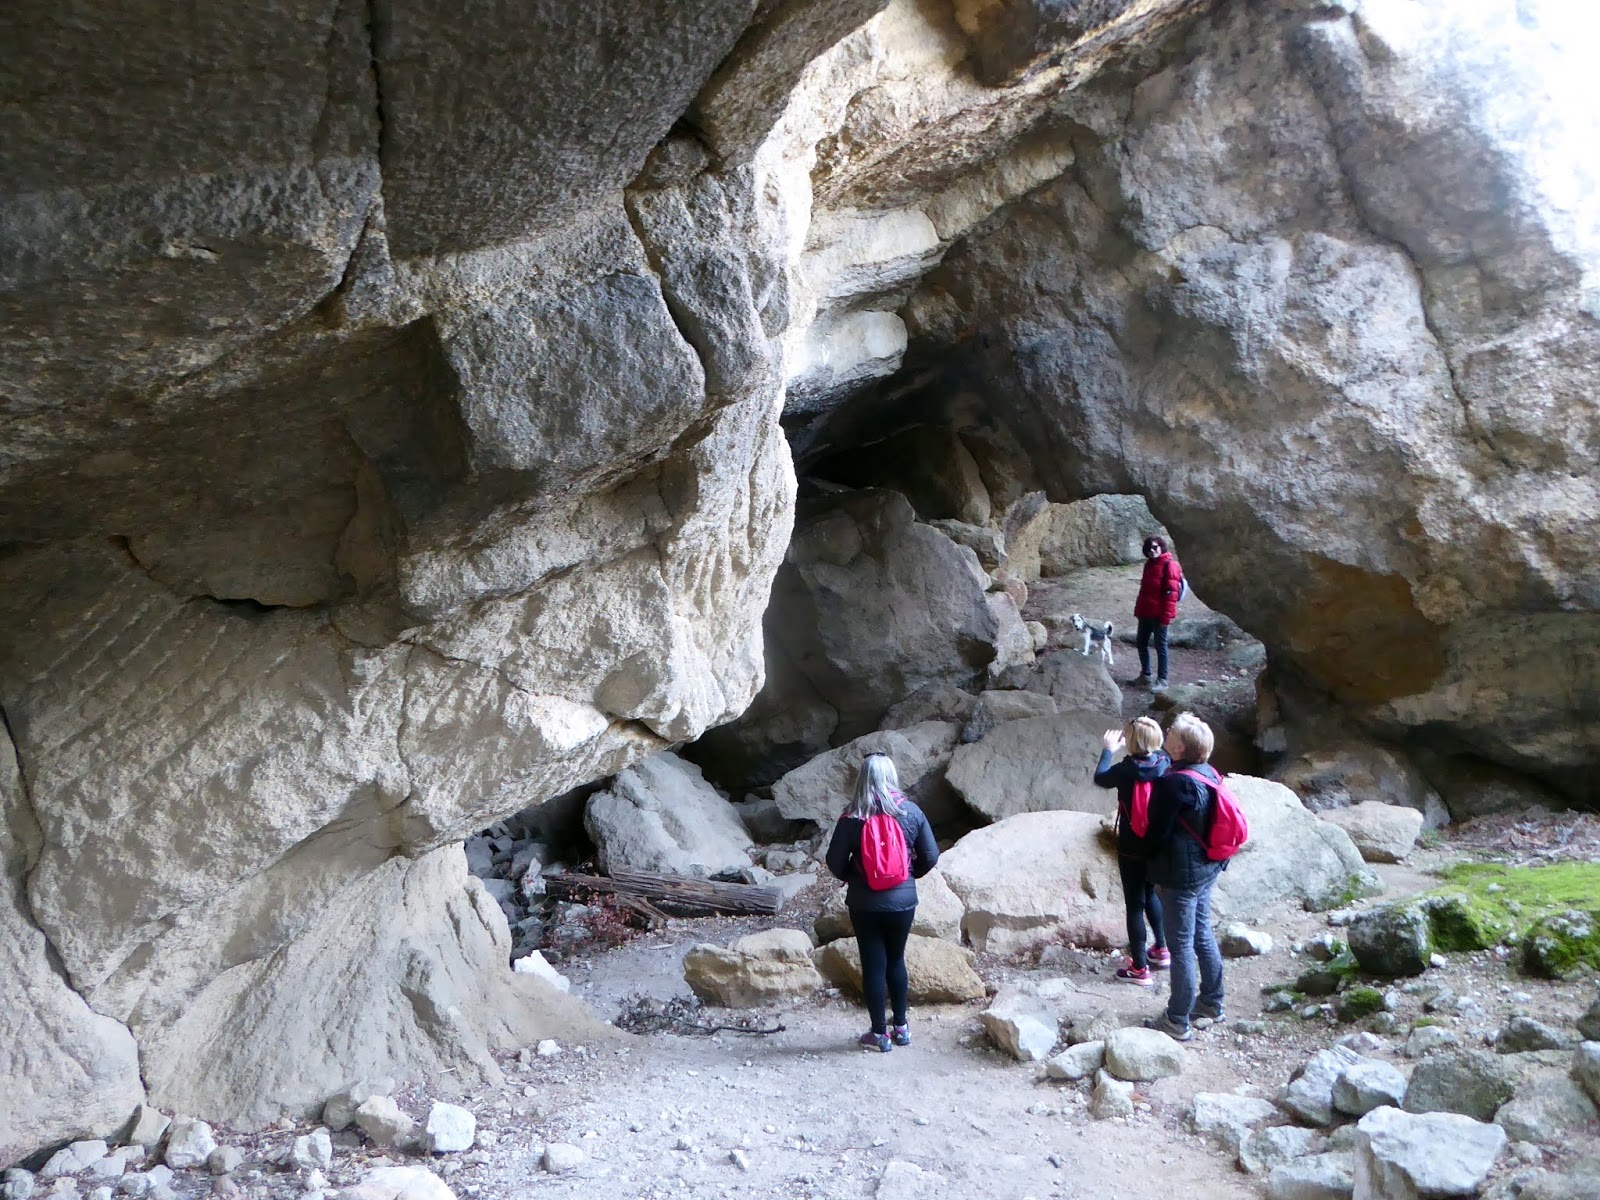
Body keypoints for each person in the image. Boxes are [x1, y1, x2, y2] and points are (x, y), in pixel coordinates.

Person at [825, 752, 939, 1053]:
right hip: (903, 900)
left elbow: (834, 862)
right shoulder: (911, 812)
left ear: (862, 777)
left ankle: (879, 1034)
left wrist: (858, 877)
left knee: (874, 965)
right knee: (896, 959)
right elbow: (931, 856)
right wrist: (908, 875)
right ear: (892, 777)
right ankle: (901, 1027)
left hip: (865, 903)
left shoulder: (852, 817)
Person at [1142, 712, 1225, 1041]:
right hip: (1206, 867)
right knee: (1202, 933)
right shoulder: (1207, 772)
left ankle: (1177, 1019)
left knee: (1180, 946)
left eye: (1171, 733)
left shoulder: (1173, 783)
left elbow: (1157, 832)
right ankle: (1212, 1002)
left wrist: (1147, 864)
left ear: (1179, 747)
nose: (1166, 733)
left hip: (1181, 875)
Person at [1093, 716, 1172, 986]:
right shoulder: (1165, 763)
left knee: (1134, 905)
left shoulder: (1125, 769)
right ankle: (1161, 950)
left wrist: (1107, 750)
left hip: (1131, 846)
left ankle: (1139, 968)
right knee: (1151, 893)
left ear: (1130, 742)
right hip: (1158, 843)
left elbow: (1100, 778)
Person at [1131, 535, 1184, 691]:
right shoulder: (1149, 565)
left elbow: (1171, 594)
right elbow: (1144, 591)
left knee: (1161, 646)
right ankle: (1145, 675)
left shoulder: (1169, 565)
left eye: (1155, 547)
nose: (1152, 551)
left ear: (1161, 547)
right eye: (1149, 548)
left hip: (1159, 614)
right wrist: (1138, 610)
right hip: (1145, 612)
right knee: (1141, 642)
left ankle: (1162, 680)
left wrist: (1166, 616)